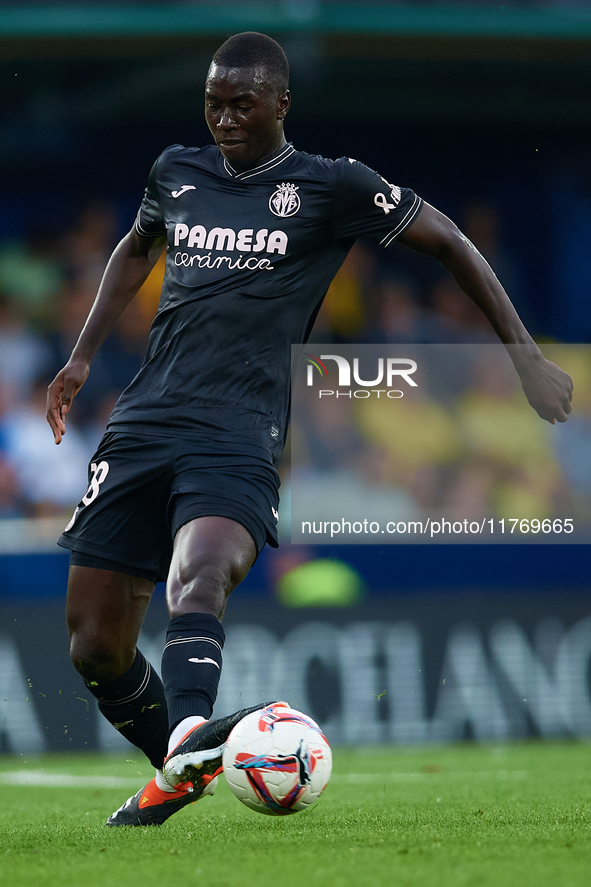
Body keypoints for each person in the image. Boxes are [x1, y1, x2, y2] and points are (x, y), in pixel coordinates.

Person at [46, 32, 573, 827]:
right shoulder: (175, 171)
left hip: (241, 426)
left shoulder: (332, 186)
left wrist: (523, 355)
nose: (223, 116)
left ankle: (189, 733)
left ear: (280, 104)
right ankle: (179, 765)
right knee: (94, 642)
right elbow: (134, 245)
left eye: (241, 102)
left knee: (202, 571)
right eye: (212, 101)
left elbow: (450, 241)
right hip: (144, 419)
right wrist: (82, 357)